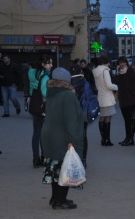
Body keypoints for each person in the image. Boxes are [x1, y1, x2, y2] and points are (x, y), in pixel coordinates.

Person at [41, 67, 83, 210]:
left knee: (55, 169)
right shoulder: (67, 96)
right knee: (65, 170)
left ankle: (55, 198)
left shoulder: (51, 93)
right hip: (61, 137)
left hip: (49, 135)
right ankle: (60, 201)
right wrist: (73, 140)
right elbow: (70, 121)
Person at [28, 55, 53, 168]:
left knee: (36, 133)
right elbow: (44, 92)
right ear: (43, 64)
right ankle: (44, 158)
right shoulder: (45, 77)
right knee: (44, 133)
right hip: (43, 106)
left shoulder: (31, 73)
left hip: (34, 103)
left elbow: (31, 89)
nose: (51, 65)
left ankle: (35, 158)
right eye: (49, 63)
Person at [92, 56, 118, 146]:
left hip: (100, 97)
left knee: (102, 117)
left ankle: (103, 138)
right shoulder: (105, 71)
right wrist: (116, 87)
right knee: (108, 117)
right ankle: (106, 139)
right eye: (108, 62)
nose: (109, 64)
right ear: (105, 62)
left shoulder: (95, 71)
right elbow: (109, 85)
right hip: (107, 97)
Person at [115, 56, 135, 146]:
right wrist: (117, 72)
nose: (122, 64)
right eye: (120, 63)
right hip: (123, 99)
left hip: (131, 98)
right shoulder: (119, 72)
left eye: (123, 62)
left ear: (126, 63)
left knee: (130, 120)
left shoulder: (130, 71)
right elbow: (116, 82)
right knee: (126, 120)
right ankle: (127, 138)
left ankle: (131, 139)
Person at [70, 64, 90, 167]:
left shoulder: (67, 84)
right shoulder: (85, 83)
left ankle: (73, 159)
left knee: (71, 136)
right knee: (83, 136)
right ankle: (83, 159)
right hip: (83, 113)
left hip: (71, 114)